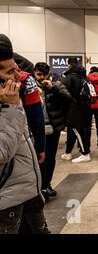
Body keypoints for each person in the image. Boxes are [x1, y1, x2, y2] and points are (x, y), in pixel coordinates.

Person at [0, 34, 49, 234]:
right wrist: (11, 109)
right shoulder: (10, 103)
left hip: (27, 192)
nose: (17, 77)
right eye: (11, 72)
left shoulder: (9, 97)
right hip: (8, 203)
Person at [34, 62, 72, 199]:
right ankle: (39, 187)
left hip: (53, 128)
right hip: (36, 130)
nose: (41, 78)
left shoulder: (56, 85)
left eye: (44, 75)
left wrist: (53, 88)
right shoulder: (29, 87)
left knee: (50, 158)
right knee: (38, 158)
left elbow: (68, 98)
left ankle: (47, 185)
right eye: (38, 74)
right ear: (34, 73)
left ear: (48, 74)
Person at [60, 58, 92, 163]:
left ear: (70, 66)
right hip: (84, 108)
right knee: (73, 131)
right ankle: (68, 152)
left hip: (74, 109)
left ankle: (85, 154)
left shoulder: (70, 77)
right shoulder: (84, 77)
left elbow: (64, 94)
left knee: (77, 131)